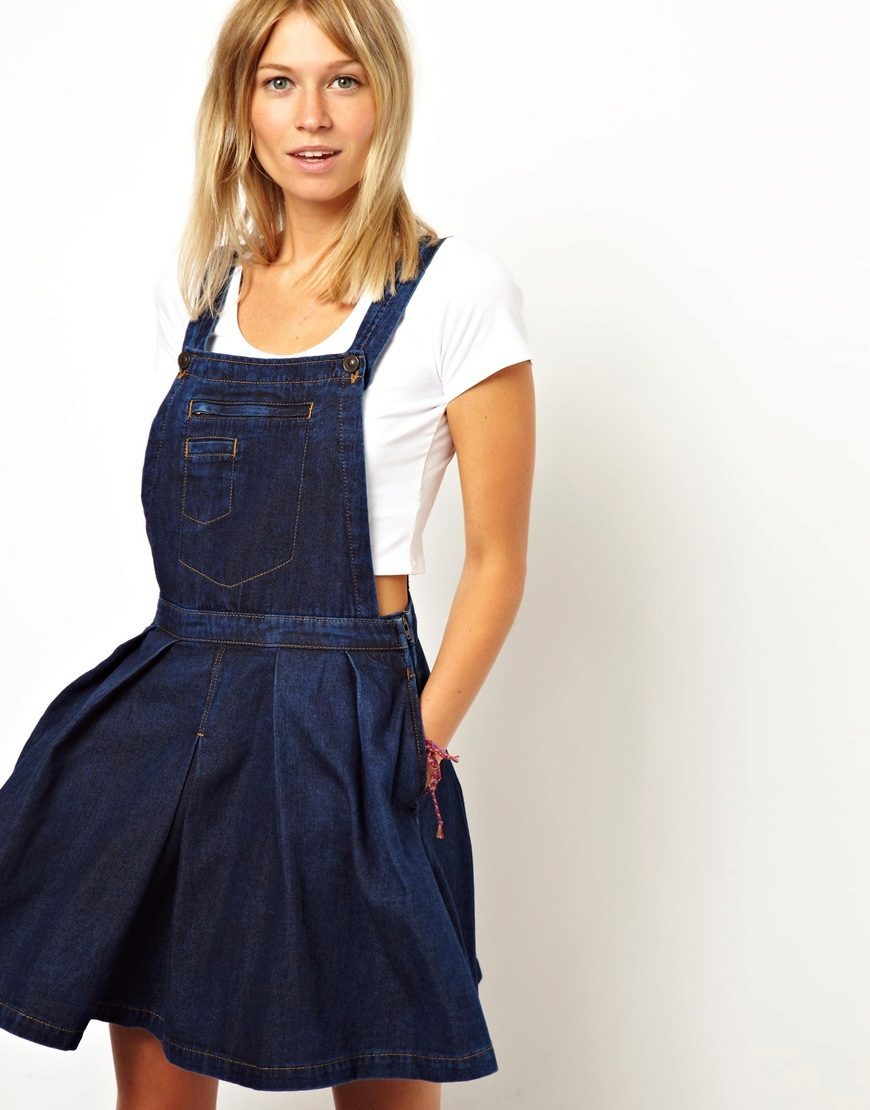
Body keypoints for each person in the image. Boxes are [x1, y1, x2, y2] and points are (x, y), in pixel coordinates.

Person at [0, 0, 535, 1105]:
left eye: (344, 80)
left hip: (351, 721)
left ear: (385, 95)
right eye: (280, 83)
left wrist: (418, 744)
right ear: (240, 106)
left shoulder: (456, 294)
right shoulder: (200, 291)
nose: (312, 116)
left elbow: (497, 560)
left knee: (384, 1064)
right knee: (155, 1086)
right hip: (176, 720)